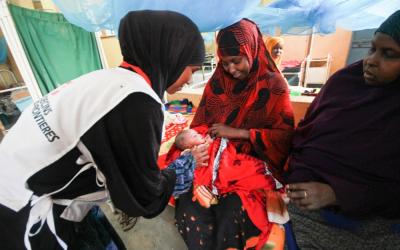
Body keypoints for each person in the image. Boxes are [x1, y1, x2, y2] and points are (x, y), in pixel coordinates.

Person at [0, 10, 205, 250]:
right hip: (21, 208)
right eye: (192, 68)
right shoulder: (137, 102)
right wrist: (185, 165)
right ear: (172, 56)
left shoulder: (109, 80)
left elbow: (111, 147)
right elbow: (142, 199)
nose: (191, 80)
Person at [167, 19, 294, 250]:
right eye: (224, 63)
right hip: (210, 166)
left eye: (236, 61)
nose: (230, 69)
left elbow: (283, 138)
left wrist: (240, 133)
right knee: (189, 206)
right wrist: (196, 144)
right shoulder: (218, 83)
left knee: (231, 214)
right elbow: (198, 125)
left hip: (251, 170)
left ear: (252, 50)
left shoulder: (274, 86)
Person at [285, 10, 400, 249]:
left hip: (371, 225)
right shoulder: (344, 83)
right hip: (303, 205)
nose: (371, 60)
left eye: (389, 54)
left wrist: (337, 194)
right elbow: (305, 137)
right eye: (372, 49)